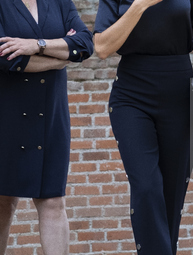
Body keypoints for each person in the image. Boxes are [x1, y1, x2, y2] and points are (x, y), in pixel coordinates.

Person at [93, 0, 193, 254]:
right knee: (146, 186)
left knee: (172, 194)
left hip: (179, 92)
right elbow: (101, 47)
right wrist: (140, 4)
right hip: (132, 95)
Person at [0, 0, 93, 254]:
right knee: (3, 201)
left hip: (50, 115)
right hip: (6, 114)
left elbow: (85, 44)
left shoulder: (60, 2)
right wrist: (61, 57)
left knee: (53, 200)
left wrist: (37, 46)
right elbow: (6, 60)